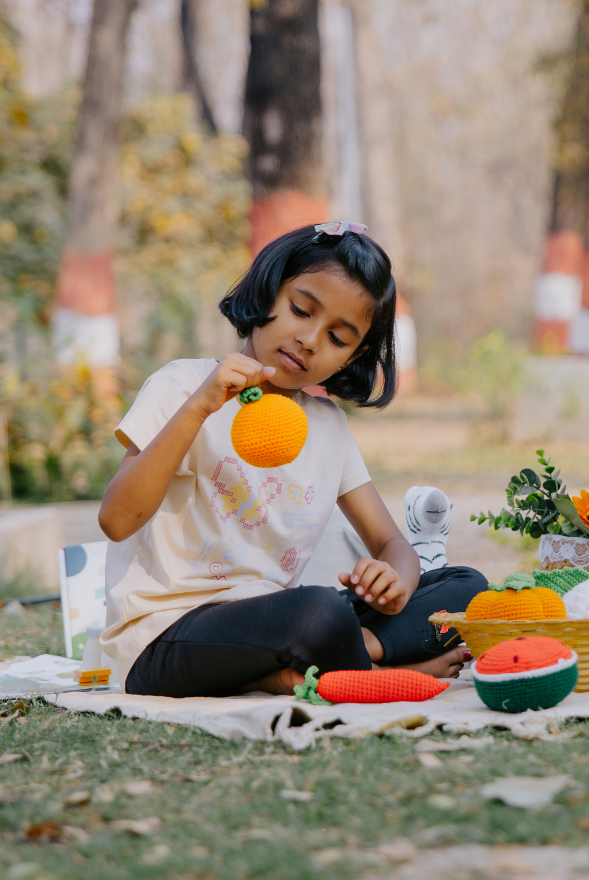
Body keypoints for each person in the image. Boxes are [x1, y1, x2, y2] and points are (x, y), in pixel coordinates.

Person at [98, 223, 487, 698]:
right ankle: (393, 670)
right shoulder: (183, 387)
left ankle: (343, 657)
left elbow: (391, 543)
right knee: (319, 613)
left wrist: (396, 580)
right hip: (165, 639)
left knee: (468, 588)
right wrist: (200, 407)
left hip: (276, 627)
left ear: (353, 356)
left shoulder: (328, 429)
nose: (309, 339)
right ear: (268, 290)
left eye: (338, 339)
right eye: (301, 310)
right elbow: (117, 520)